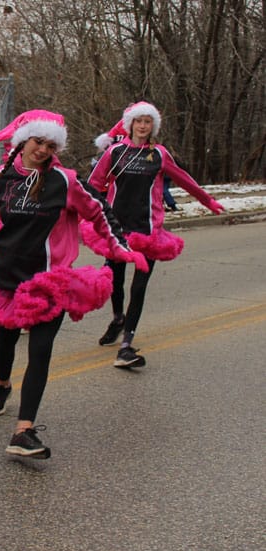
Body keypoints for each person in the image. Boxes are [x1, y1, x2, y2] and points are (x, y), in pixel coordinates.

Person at [0, 109, 148, 458]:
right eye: (38, 142)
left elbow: (100, 212)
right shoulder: (3, 178)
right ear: (23, 141)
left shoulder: (65, 181)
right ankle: (2, 384)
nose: (43, 150)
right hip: (7, 277)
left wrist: (122, 248)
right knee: (6, 341)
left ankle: (23, 430)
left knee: (40, 352)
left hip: (49, 281)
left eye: (50, 145)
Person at [87, 102, 224, 367]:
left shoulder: (159, 154)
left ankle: (126, 346)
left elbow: (184, 179)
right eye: (138, 121)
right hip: (117, 229)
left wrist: (207, 200)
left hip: (148, 230)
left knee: (138, 288)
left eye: (147, 122)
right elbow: (93, 184)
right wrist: (82, 210)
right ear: (130, 124)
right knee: (115, 280)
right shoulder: (115, 152)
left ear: (153, 126)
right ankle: (118, 319)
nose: (142, 126)